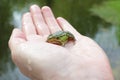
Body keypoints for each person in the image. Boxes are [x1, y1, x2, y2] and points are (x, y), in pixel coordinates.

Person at [8, 4, 114, 80]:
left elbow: (66, 36)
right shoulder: (52, 38)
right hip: (58, 37)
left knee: (66, 35)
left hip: (63, 36)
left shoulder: (65, 36)